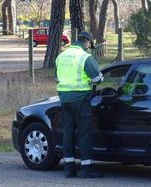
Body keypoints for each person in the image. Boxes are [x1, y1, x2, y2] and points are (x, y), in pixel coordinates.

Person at [55, 31, 103, 178]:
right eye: (89, 45)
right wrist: (92, 81)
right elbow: (97, 78)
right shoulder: (85, 57)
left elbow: (57, 78)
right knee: (84, 133)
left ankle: (69, 169)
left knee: (68, 133)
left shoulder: (61, 56)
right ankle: (86, 169)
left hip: (64, 99)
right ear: (87, 43)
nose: (89, 48)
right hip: (81, 100)